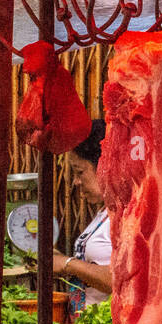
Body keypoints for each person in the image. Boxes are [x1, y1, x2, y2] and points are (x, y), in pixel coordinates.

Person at [50, 120, 113, 310]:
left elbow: (117, 280)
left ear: (104, 167)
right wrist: (54, 258)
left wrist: (67, 264)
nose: (76, 182)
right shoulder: (104, 212)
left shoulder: (128, 215)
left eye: (80, 172)